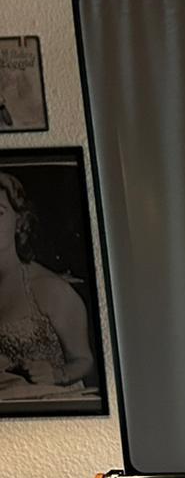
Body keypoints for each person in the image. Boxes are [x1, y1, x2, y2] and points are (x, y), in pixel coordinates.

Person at [0, 171, 95, 400]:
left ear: (19, 222)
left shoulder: (48, 288)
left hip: (45, 405)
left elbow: (84, 360)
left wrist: (56, 374)